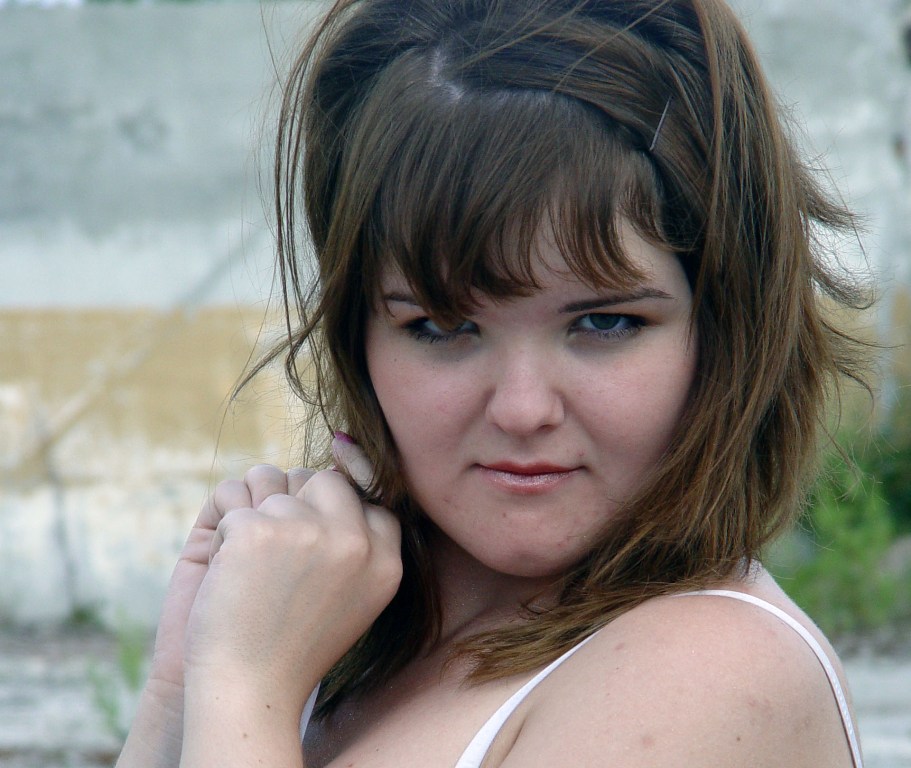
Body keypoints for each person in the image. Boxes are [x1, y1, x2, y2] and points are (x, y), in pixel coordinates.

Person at [116, 0, 872, 766]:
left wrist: (242, 685)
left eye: (604, 323)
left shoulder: (714, 671)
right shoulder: (333, 637)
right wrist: (181, 687)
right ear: (357, 338)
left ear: (725, 329)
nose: (520, 409)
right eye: (442, 326)